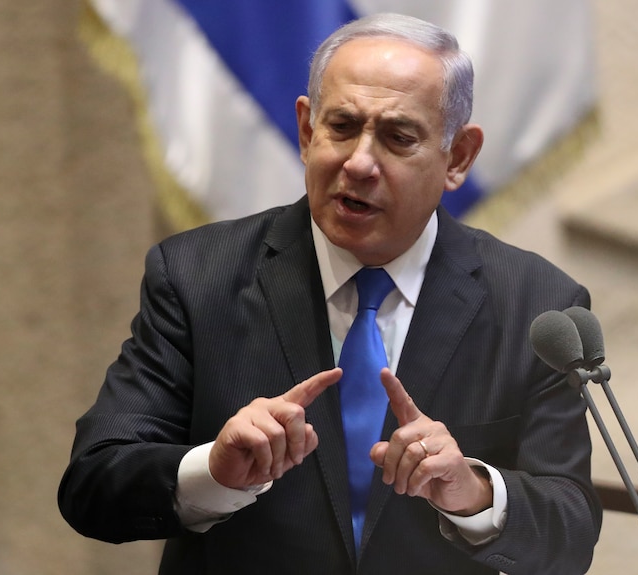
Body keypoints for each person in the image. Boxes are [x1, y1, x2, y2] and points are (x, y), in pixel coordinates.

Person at [59, 12, 601, 575]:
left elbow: (570, 532)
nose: (360, 162)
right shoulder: (198, 276)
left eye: (398, 137)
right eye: (341, 126)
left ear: (458, 157)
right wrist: (212, 473)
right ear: (305, 130)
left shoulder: (537, 303)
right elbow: (94, 484)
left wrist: (475, 494)